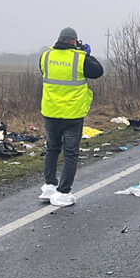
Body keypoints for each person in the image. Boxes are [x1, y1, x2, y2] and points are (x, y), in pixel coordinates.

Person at [39, 27, 104, 207]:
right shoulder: (80, 59)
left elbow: (45, 72)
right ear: (75, 41)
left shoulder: (45, 56)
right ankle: (63, 192)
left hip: (50, 112)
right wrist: (87, 54)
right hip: (72, 115)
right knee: (70, 154)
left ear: (58, 39)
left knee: (52, 149)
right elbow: (98, 71)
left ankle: (49, 186)